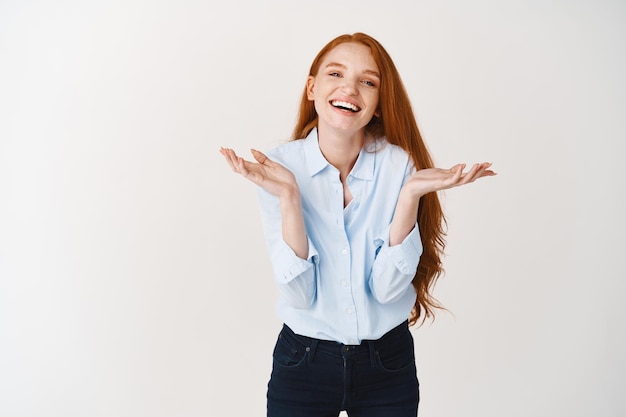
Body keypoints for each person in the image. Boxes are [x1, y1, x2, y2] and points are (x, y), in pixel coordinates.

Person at [220, 32, 495, 417]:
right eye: (335, 74)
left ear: (379, 105)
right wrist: (290, 199)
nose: (350, 88)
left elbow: (386, 292)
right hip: (304, 361)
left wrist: (409, 195)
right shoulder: (279, 168)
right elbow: (300, 295)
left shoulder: (399, 165)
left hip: (387, 362)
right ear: (313, 88)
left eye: (368, 82)